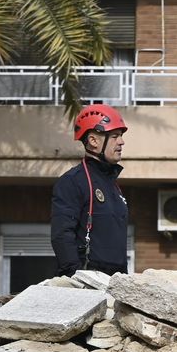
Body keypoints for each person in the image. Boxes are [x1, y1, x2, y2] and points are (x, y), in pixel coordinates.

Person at [51, 104, 130, 276]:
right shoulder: (72, 182)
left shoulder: (113, 186)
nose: (121, 142)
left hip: (116, 284)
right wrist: (77, 279)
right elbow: (62, 236)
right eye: (115, 136)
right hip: (86, 283)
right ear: (94, 141)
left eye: (121, 136)